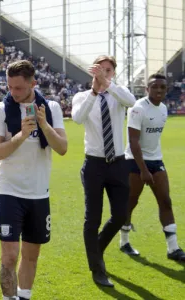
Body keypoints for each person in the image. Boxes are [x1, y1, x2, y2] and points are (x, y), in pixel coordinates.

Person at [0, 60, 67, 300]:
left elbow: (62, 148)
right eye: (10, 87)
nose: (13, 93)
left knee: (31, 255)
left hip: (39, 193)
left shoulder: (51, 108)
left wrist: (43, 125)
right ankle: (8, 298)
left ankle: (24, 296)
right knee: (10, 255)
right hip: (9, 191)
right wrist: (21, 135)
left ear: (33, 83)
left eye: (19, 88)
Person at [72, 55, 136, 287]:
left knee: (120, 215)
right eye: (100, 70)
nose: (104, 73)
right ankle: (97, 269)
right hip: (95, 164)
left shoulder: (119, 93)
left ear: (113, 72)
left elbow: (131, 101)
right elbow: (77, 118)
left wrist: (107, 84)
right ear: (93, 72)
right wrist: (94, 91)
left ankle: (95, 249)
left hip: (118, 163)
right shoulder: (82, 96)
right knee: (93, 218)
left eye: (108, 70)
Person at [120, 73, 185, 261]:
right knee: (131, 203)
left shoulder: (164, 109)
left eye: (162, 87)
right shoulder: (138, 108)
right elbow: (133, 141)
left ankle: (173, 249)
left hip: (156, 160)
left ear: (166, 90)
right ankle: (124, 242)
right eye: (154, 86)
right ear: (147, 89)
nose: (158, 90)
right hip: (134, 161)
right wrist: (143, 170)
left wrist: (151, 167)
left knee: (165, 201)